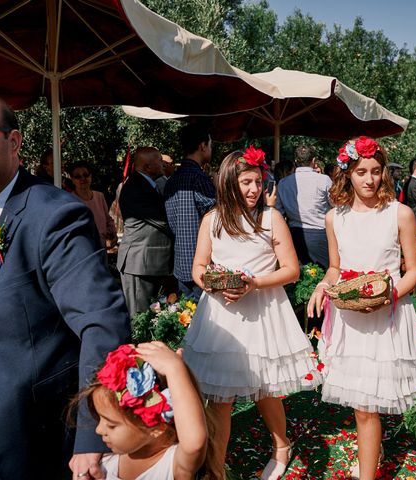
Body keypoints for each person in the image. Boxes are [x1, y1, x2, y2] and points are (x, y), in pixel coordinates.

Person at [0, 88, 131, 479]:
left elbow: (103, 325)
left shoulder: (55, 215)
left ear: (14, 141)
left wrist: (92, 436)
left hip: (11, 432)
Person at [182, 146, 322, 480]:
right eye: (246, 182)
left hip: (262, 313)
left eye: (258, 181)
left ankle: (281, 447)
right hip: (220, 318)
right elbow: (197, 268)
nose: (254, 189)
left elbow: (291, 270)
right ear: (229, 182)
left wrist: (254, 283)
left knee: (265, 389)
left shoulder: (270, 218)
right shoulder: (211, 219)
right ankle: (215, 468)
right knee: (220, 398)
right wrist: (214, 284)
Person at [308, 136, 416, 480]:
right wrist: (324, 284)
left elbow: (415, 271)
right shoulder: (335, 218)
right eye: (361, 171)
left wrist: (385, 297)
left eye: (376, 171)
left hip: (387, 318)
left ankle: (367, 466)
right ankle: (370, 456)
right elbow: (335, 267)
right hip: (351, 319)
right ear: (347, 173)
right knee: (363, 408)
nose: (369, 179)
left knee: (372, 404)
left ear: (384, 174)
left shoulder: (401, 213)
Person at [73, 342, 223, 480]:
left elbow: (194, 443)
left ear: (156, 428)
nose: (99, 430)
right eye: (100, 419)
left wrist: (175, 370)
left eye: (112, 425)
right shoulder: (105, 461)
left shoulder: (171, 466)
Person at [117, 147, 174, 316]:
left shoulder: (148, 185)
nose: (163, 163)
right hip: (139, 264)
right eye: (158, 160)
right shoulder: (135, 187)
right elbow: (163, 220)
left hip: (150, 263)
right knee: (140, 319)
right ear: (147, 167)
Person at [165, 124, 216, 299]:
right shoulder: (199, 178)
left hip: (180, 263)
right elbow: (216, 220)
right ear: (202, 146)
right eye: (210, 145)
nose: (211, 149)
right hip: (202, 266)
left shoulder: (172, 180)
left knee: (187, 318)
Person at [275, 144, 332, 268]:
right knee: (324, 276)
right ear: (313, 161)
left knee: (298, 277)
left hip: (293, 235)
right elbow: (335, 206)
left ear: (295, 161)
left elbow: (278, 212)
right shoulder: (324, 180)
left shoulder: (283, 183)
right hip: (319, 236)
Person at [69, 161, 117, 250]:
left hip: (102, 249)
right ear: (72, 179)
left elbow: (108, 220)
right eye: (78, 176)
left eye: (86, 175)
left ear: (91, 176)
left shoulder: (100, 196)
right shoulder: (69, 200)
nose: (83, 178)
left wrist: (113, 235)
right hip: (82, 249)